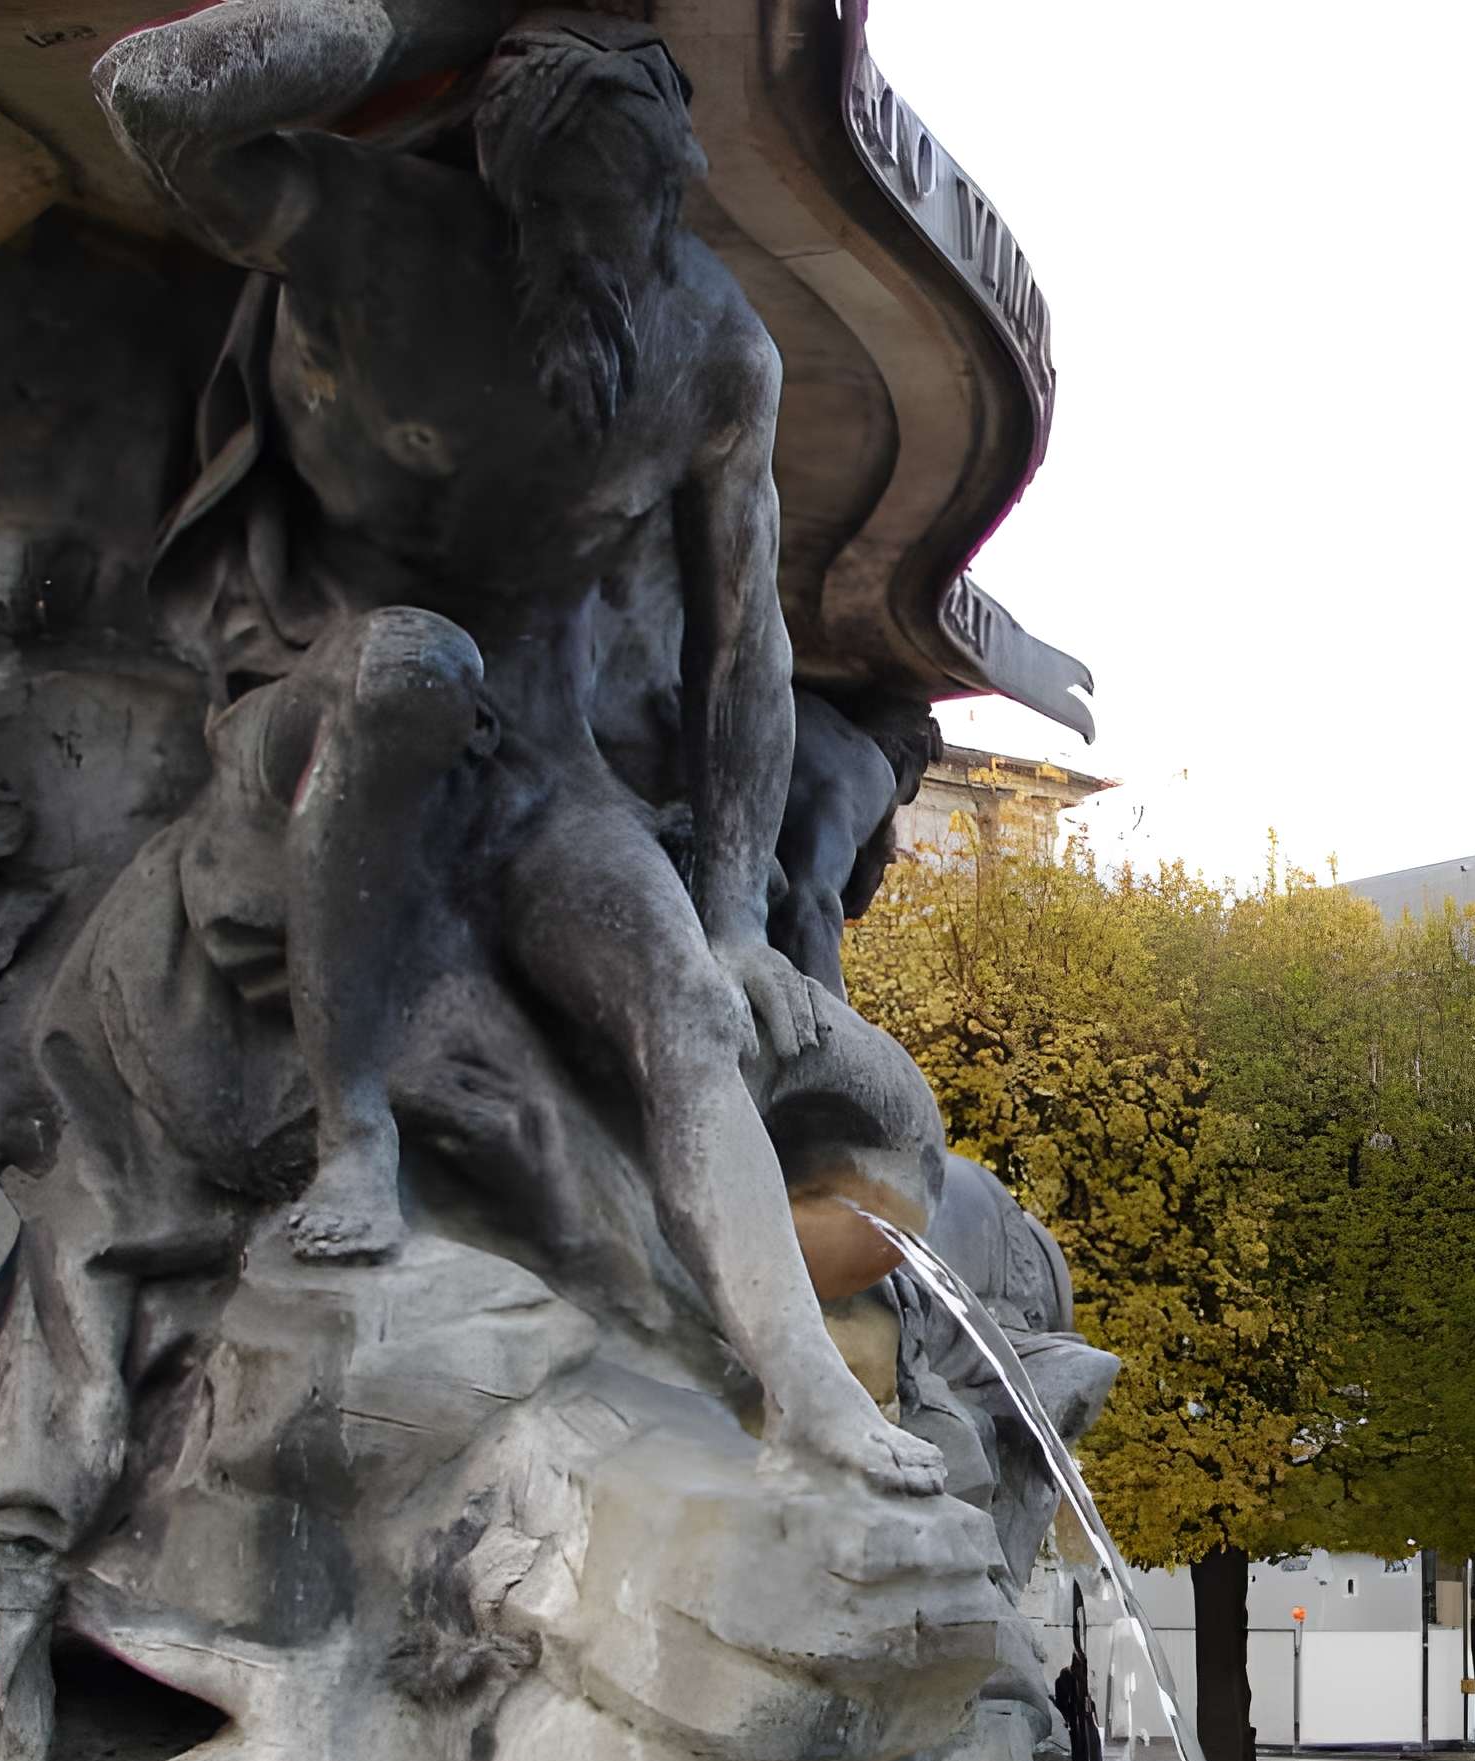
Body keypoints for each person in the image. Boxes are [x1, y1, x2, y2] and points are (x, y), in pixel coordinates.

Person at [86, 8, 942, 1491]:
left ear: (679, 186)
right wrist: (439, 15)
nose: (618, 255)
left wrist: (739, 918)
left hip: (543, 768)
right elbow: (148, 92)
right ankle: (355, 1132)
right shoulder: (375, 237)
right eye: (577, 214)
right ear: (503, 182)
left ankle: (805, 1382)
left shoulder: (712, 351)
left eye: (643, 213)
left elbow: (743, 646)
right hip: (328, 705)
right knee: (416, 661)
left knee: (686, 1004)